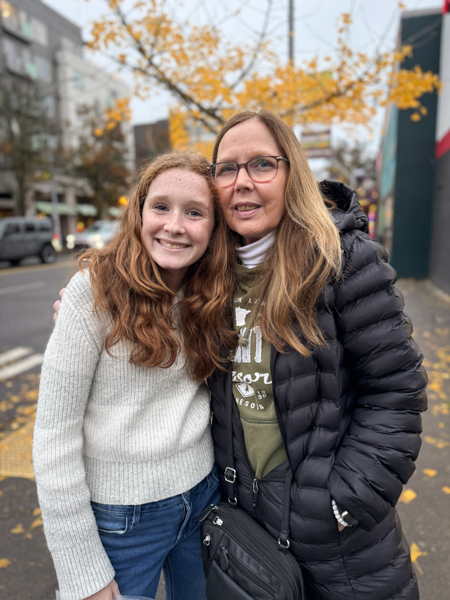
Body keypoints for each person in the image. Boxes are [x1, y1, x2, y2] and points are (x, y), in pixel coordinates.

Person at [206, 110, 428, 600]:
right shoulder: (207, 274)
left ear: (293, 173)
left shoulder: (341, 260)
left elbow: (396, 390)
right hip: (248, 528)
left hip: (340, 542)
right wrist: (90, 308)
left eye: (262, 164)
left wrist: (346, 501)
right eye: (226, 169)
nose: (242, 181)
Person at [33, 152, 238, 600]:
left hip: (203, 500)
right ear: (139, 212)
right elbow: (53, 436)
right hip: (121, 521)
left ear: (214, 227)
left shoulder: (213, 292)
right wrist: (80, 569)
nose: (174, 225)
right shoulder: (93, 293)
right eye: (160, 206)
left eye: (195, 212)